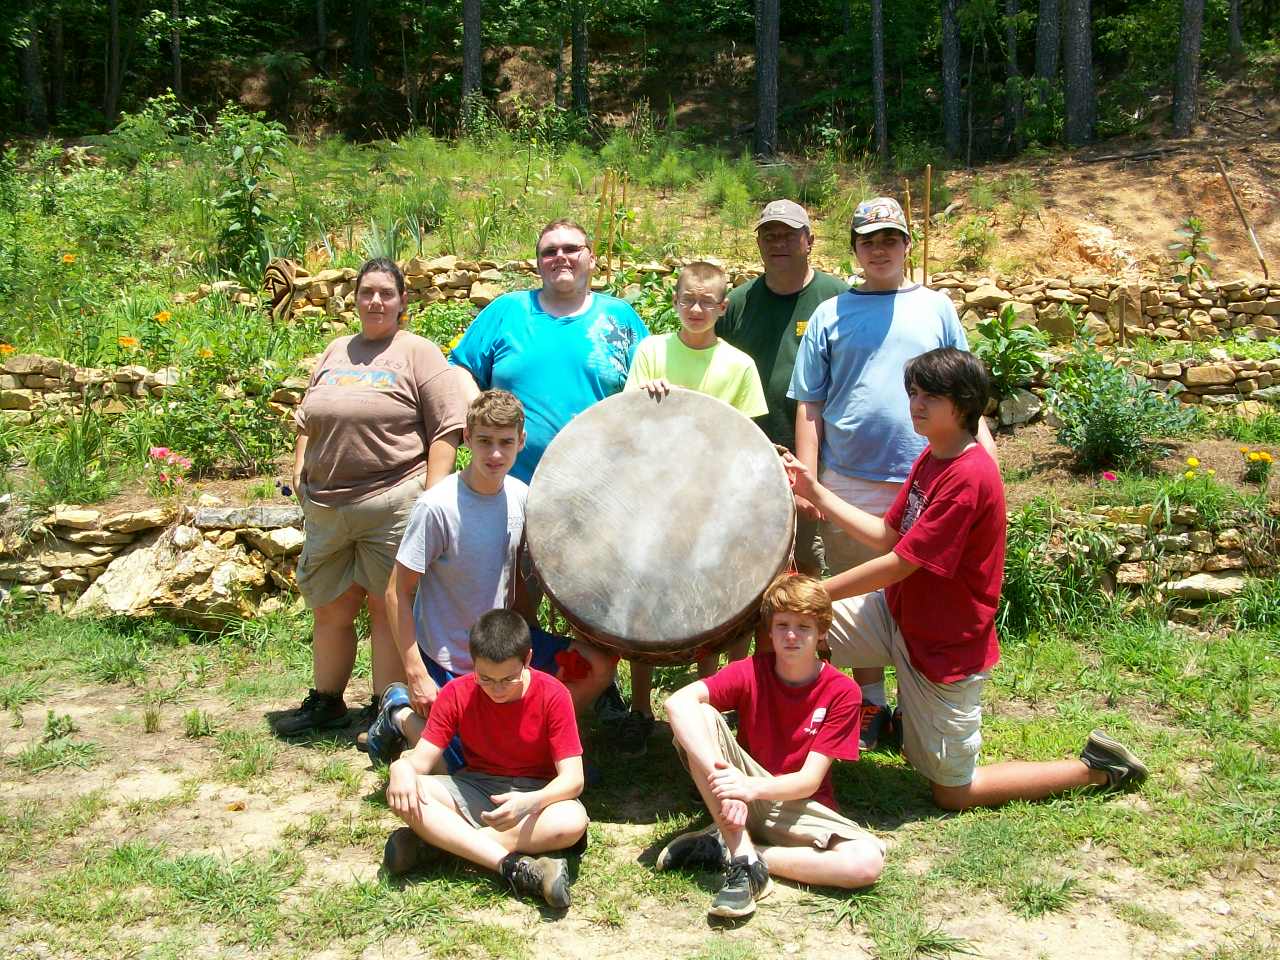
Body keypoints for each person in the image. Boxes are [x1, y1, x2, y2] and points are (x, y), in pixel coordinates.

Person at [785, 348, 1148, 813]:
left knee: (953, 793)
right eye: (914, 393)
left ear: (964, 403)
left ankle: (1096, 767)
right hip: (895, 614)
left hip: (943, 644)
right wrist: (814, 490)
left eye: (931, 396)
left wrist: (816, 593)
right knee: (787, 629)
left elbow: (900, 562)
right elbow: (888, 535)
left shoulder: (970, 474)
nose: (916, 404)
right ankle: (783, 746)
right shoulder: (932, 457)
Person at [788, 197, 998, 751]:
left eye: (890, 239)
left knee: (921, 583)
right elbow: (809, 402)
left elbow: (966, 386)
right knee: (868, 587)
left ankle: (917, 702)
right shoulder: (832, 313)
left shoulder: (936, 307)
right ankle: (872, 707)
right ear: (854, 249)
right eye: (868, 241)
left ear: (907, 245)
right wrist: (810, 479)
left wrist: (987, 454)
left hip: (929, 468)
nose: (879, 250)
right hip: (851, 473)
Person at [367, 389, 615, 764]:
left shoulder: (520, 496)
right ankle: (399, 712)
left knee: (596, 665)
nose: (495, 454)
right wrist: (416, 672)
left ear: (522, 442)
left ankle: (543, 748)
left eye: (505, 442)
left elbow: (516, 576)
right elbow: (396, 592)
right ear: (467, 438)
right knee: (465, 764)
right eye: (484, 441)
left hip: (505, 643)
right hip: (450, 656)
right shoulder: (437, 507)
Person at [276, 257, 466, 737]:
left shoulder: (417, 352)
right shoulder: (336, 350)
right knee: (331, 606)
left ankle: (386, 707)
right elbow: (307, 417)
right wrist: (299, 464)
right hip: (327, 503)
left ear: (403, 302)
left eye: (386, 293)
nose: (376, 301)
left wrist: (432, 496)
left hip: (393, 499)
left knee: (389, 605)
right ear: (355, 299)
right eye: (367, 292)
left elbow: (448, 427)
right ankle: (327, 701)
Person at [660, 575, 885, 920]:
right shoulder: (750, 670)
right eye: (782, 625)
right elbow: (677, 703)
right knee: (699, 714)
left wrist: (749, 788)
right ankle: (741, 854)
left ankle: (733, 851)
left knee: (865, 863)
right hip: (736, 796)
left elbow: (808, 781)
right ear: (769, 630)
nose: (791, 636)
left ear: (821, 632)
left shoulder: (842, 691)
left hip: (795, 802)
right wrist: (727, 783)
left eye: (803, 627)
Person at [618, 260, 768, 755]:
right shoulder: (651, 351)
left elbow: (747, 442)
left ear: (723, 307)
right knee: (644, 603)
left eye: (707, 301)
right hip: (651, 500)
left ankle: (708, 709)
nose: (697, 309)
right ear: (676, 301)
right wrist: (646, 396)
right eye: (688, 300)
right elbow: (626, 419)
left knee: (709, 606)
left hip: (712, 507)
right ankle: (640, 710)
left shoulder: (739, 365)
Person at [382, 609, 588, 910]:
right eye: (486, 679)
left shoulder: (553, 694)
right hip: (476, 787)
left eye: (508, 679)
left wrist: (531, 801)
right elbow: (421, 761)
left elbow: (573, 779)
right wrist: (401, 767)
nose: (497, 690)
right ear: (472, 662)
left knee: (571, 820)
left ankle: (440, 846)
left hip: (536, 797)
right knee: (412, 791)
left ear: (528, 659)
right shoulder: (456, 692)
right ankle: (513, 865)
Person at [449, 219, 650, 483]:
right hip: (509, 487)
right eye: (549, 252)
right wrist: (482, 417)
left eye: (571, 248)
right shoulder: (507, 311)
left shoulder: (620, 317)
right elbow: (459, 367)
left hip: (602, 489)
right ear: (538, 264)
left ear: (592, 259)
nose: (560, 257)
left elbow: (650, 382)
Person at [719, 199, 850, 577]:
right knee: (751, 565)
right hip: (751, 460)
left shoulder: (836, 298)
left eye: (789, 235)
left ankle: (816, 636)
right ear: (758, 243)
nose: (778, 243)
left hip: (822, 459)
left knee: (811, 564)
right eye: (769, 235)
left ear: (810, 240)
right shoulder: (740, 303)